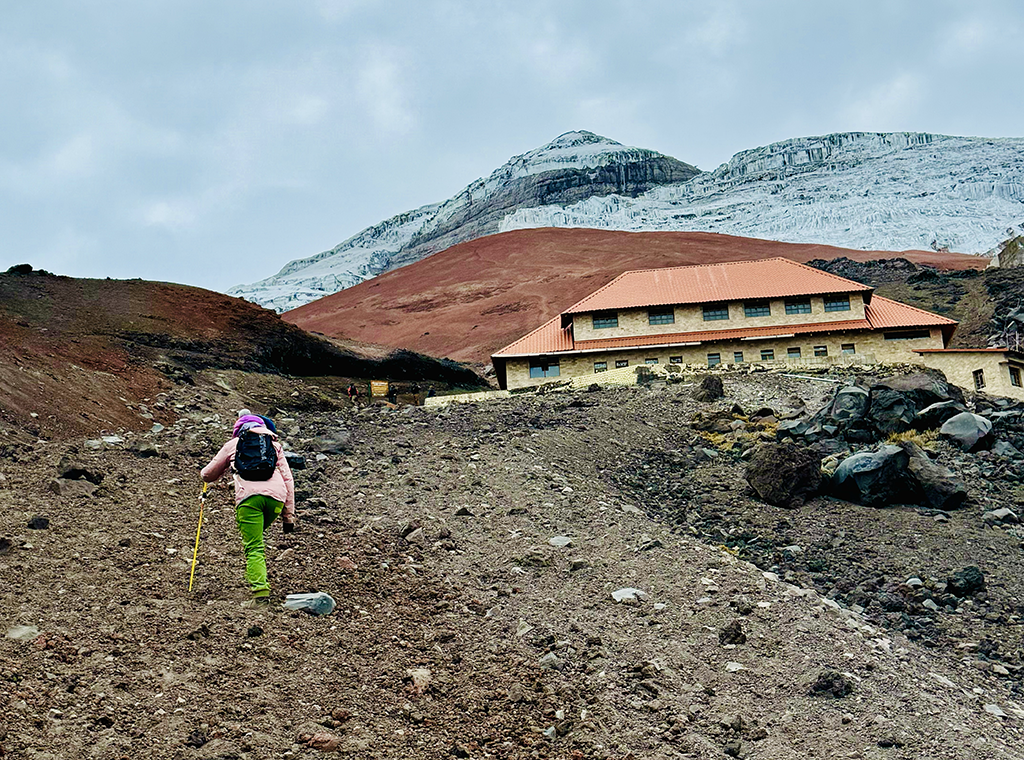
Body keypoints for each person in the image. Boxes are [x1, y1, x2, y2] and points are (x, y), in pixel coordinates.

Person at [201, 412, 295, 606]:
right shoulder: (274, 445)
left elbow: (208, 474)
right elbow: (289, 480)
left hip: (249, 499)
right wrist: (288, 517)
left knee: (254, 547)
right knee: (257, 541)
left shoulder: (233, 444)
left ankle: (260, 594)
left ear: (238, 430)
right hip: (276, 499)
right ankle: (256, 577)